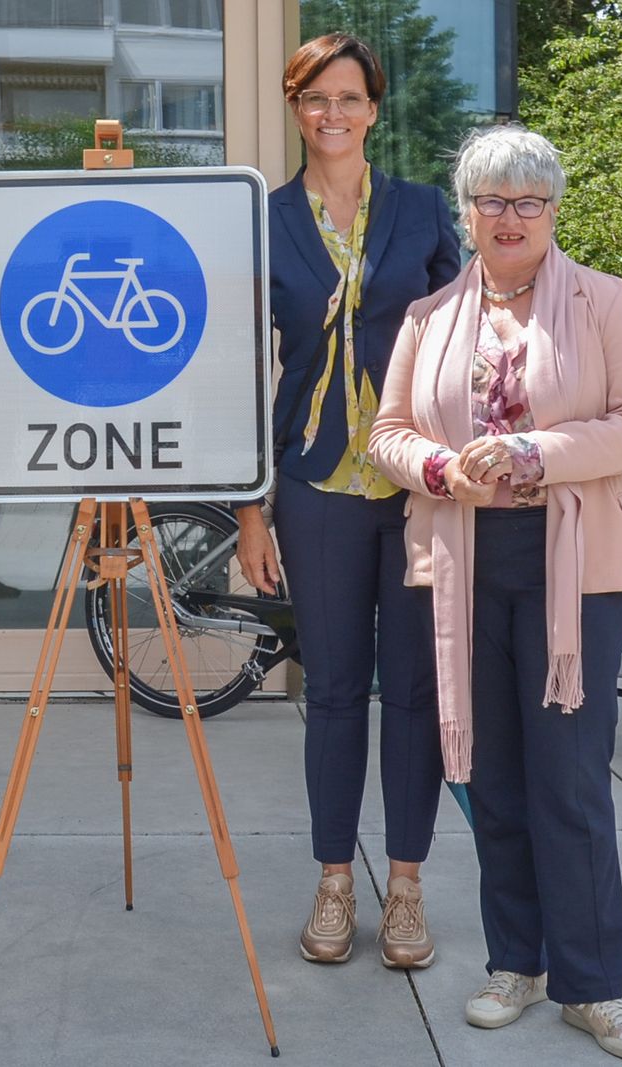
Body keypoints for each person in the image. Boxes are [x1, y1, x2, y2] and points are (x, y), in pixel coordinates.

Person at [370, 124, 622, 1061]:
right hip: (465, 565)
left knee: (570, 778)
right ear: (465, 212)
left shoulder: (606, 301)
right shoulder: (428, 318)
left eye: (529, 201)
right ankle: (516, 962)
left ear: (553, 211)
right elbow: (386, 433)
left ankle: (592, 986)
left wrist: (541, 451)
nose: (510, 217)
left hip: (574, 569)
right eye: (493, 200)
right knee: (491, 776)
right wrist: (430, 463)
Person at [232, 31, 462, 972]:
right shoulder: (265, 218)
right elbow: (238, 368)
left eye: (351, 98)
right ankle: (334, 877)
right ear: (296, 109)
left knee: (413, 692)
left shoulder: (420, 211)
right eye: (315, 98)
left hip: (413, 488)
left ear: (375, 109)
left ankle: (405, 884)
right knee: (331, 694)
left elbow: (464, 341)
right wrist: (251, 507)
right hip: (314, 485)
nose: (333, 114)